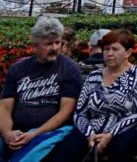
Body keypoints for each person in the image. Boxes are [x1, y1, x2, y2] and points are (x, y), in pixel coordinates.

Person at [58, 29, 137, 162]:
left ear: (128, 53)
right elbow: (80, 113)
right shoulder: (94, 76)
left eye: (115, 49)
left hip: (127, 130)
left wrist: (110, 134)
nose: (109, 54)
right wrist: (90, 134)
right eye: (106, 49)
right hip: (93, 130)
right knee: (68, 148)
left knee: (120, 147)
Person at [0, 15, 83, 161]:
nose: (55, 48)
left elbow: (66, 111)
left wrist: (35, 133)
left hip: (50, 132)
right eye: (49, 44)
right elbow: (5, 106)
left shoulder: (70, 69)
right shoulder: (18, 68)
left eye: (58, 42)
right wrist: (7, 132)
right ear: (35, 44)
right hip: (15, 130)